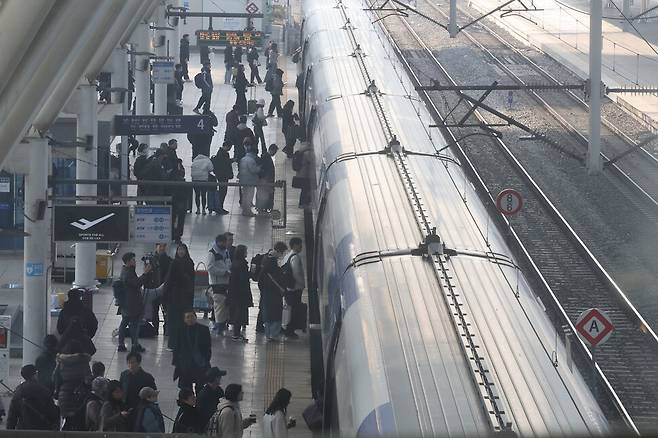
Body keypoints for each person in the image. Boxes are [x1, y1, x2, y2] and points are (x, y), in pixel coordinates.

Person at [53, 340, 92, 430]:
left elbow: (54, 377)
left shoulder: (61, 361)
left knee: (67, 421)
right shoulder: (83, 361)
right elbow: (88, 380)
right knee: (79, 422)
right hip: (80, 395)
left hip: (64, 394)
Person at [7, 365, 59, 431]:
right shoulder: (43, 390)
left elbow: (12, 415)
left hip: (23, 429)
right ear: (34, 374)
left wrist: (9, 430)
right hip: (42, 429)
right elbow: (51, 411)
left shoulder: (19, 391)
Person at [118, 252, 152, 352]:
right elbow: (137, 283)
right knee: (133, 325)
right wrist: (145, 273)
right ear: (128, 262)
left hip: (127, 303)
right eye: (133, 260)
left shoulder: (126, 270)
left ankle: (124, 344)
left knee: (125, 323)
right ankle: (133, 344)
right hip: (132, 304)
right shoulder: (128, 273)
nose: (135, 261)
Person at [164, 243, 195, 350]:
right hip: (176, 298)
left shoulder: (188, 263)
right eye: (179, 250)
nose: (181, 252)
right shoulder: (175, 263)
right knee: (176, 322)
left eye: (183, 250)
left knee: (180, 322)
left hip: (181, 298)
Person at [172, 311, 212, 390]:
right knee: (186, 387)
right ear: (184, 320)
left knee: (200, 386)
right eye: (187, 317)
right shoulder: (181, 330)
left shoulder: (203, 329)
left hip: (199, 363)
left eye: (192, 317)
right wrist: (177, 362)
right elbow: (177, 347)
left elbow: (208, 346)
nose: (190, 319)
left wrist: (206, 359)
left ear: (195, 317)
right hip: (185, 364)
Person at [259, 242, 288, 341]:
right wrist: (281, 288)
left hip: (267, 291)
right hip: (273, 292)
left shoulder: (267, 257)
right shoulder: (271, 261)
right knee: (275, 313)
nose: (282, 255)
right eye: (282, 252)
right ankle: (273, 334)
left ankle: (269, 334)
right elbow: (273, 278)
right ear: (279, 251)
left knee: (268, 313)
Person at [228, 245, 253, 341]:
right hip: (241, 292)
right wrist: (250, 273)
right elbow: (243, 278)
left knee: (237, 312)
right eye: (246, 251)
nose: (247, 253)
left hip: (235, 291)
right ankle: (236, 334)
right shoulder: (242, 264)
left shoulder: (235, 262)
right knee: (239, 313)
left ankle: (236, 333)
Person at [281, 238, 305, 338]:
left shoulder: (287, 256)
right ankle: (290, 330)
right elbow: (296, 273)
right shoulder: (295, 257)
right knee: (294, 309)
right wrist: (302, 283)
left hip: (288, 287)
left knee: (289, 308)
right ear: (295, 245)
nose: (301, 247)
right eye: (300, 245)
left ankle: (287, 327)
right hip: (295, 288)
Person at [208, 234, 232, 334]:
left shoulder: (226, 252)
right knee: (219, 307)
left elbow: (228, 263)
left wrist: (228, 271)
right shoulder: (212, 253)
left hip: (225, 283)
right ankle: (219, 327)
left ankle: (221, 326)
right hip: (216, 284)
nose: (225, 244)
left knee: (223, 307)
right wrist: (223, 272)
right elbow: (210, 268)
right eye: (223, 242)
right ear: (218, 242)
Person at [238, 142, 261, 216]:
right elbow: (253, 170)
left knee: (245, 196)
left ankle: (244, 210)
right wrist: (259, 168)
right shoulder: (251, 160)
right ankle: (248, 211)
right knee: (249, 196)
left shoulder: (243, 159)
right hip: (250, 181)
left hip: (243, 180)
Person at [211, 141, 234, 215]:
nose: (230, 148)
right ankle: (219, 207)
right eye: (229, 147)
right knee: (223, 192)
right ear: (226, 146)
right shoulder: (223, 153)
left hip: (221, 175)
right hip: (223, 175)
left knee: (222, 191)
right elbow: (224, 164)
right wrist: (231, 160)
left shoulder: (220, 152)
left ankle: (220, 207)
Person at [256, 144, 278, 213]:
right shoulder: (266, 157)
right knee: (265, 195)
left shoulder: (266, 156)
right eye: (275, 152)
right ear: (272, 150)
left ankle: (263, 208)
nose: (274, 153)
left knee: (265, 194)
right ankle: (262, 208)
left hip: (266, 180)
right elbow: (263, 169)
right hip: (266, 180)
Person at [171, 159, 188, 242]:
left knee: (173, 218)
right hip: (180, 200)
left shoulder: (171, 178)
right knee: (180, 219)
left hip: (174, 200)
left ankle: (172, 234)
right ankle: (177, 235)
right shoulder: (182, 181)